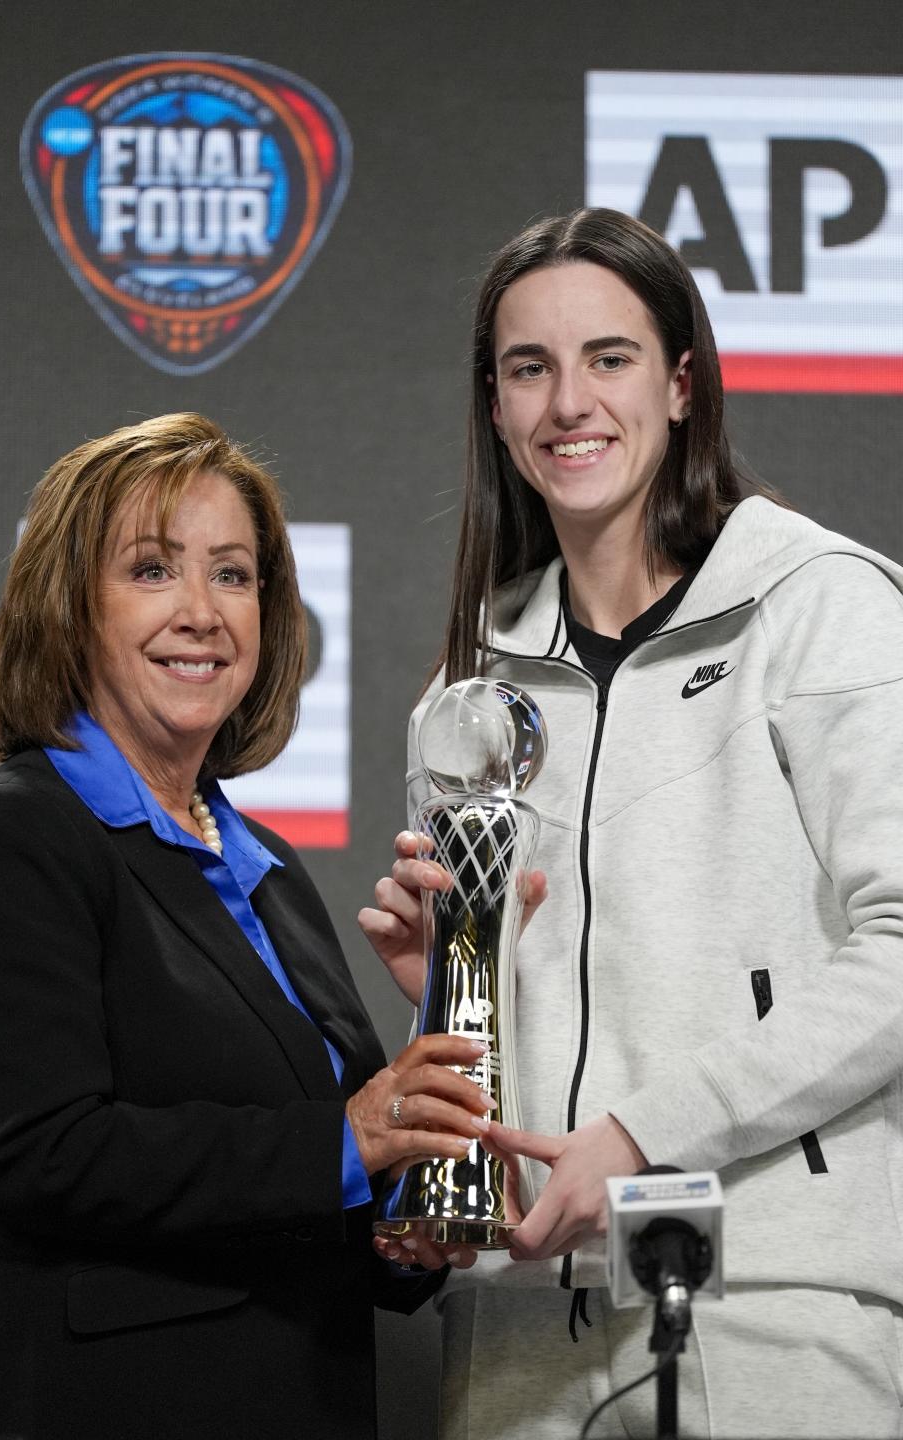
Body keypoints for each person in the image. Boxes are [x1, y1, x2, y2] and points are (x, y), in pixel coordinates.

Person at [361, 209, 903, 1439]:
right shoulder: (467, 693)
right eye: (528, 367)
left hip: (773, 1302)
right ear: (494, 407)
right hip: (512, 1318)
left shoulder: (825, 608)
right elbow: (503, 1021)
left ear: (681, 384)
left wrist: (648, 1134)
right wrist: (452, 984)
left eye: (608, 358)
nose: (569, 403)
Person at [0, 413, 487, 1440]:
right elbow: (36, 1151)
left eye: (234, 576)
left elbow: (307, 1181)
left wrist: (400, 1224)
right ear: (68, 606)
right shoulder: (20, 833)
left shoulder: (268, 867)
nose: (203, 612)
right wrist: (344, 1138)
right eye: (153, 571)